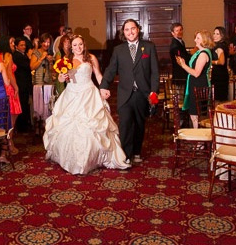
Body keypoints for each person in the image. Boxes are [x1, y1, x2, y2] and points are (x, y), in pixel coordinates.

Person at [44, 35, 131, 174]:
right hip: (72, 95)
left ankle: (95, 158)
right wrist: (63, 76)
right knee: (70, 126)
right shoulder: (66, 60)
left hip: (89, 94)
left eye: (80, 44)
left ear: (83, 45)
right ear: (71, 47)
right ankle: (73, 160)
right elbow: (60, 78)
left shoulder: (91, 58)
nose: (78, 48)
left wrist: (103, 88)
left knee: (94, 126)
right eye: (75, 45)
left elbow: (97, 75)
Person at [100, 19, 159, 164]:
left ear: (138, 29)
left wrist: (154, 92)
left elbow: (154, 73)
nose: (130, 32)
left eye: (133, 29)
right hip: (125, 93)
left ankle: (137, 151)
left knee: (139, 124)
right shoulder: (118, 50)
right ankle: (125, 155)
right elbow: (110, 70)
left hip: (142, 93)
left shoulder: (149, 47)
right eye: (127, 30)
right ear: (123, 33)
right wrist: (104, 85)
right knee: (125, 124)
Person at [176, 30, 213, 128]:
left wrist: (183, 65)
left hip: (199, 84)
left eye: (198, 38)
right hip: (195, 84)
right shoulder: (200, 52)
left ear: (204, 40)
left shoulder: (203, 54)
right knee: (194, 113)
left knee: (195, 113)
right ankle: (198, 139)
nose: (195, 40)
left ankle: (199, 140)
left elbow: (196, 73)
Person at [0, 36, 22, 154]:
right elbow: (9, 74)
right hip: (9, 87)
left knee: (5, 118)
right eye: (11, 42)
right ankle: (9, 144)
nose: (13, 44)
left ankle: (5, 145)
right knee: (12, 118)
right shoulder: (8, 55)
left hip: (0, 87)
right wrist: (16, 87)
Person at [12, 38, 33, 133]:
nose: (24, 47)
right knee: (23, 104)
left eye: (24, 45)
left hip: (25, 82)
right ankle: (22, 127)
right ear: (16, 46)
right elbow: (28, 66)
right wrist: (29, 57)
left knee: (25, 104)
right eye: (21, 45)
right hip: (21, 83)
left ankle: (25, 124)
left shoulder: (22, 54)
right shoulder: (16, 55)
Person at [211, 26, 230, 102]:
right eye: (214, 33)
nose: (214, 35)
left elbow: (222, 62)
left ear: (222, 36)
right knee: (221, 99)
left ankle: (218, 113)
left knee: (218, 100)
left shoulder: (219, 46)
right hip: (221, 74)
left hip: (219, 76)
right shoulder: (223, 45)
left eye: (217, 34)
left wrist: (211, 62)